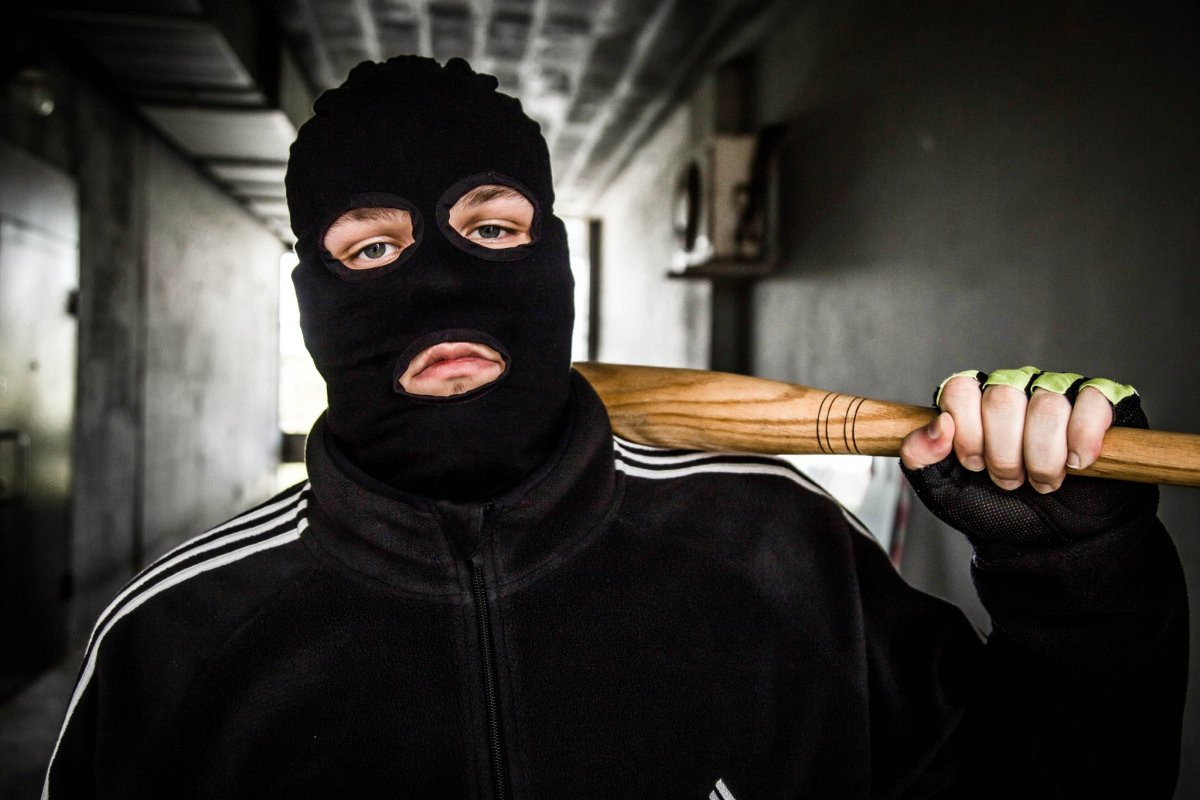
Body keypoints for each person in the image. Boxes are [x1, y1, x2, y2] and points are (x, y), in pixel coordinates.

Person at [42, 55, 1186, 799]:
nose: (440, 284)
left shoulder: (776, 545)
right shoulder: (169, 644)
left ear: (556, 260)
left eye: (491, 228)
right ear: (310, 299)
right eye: (373, 246)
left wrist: (1076, 576)